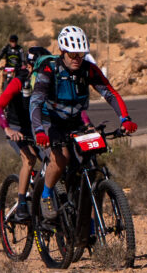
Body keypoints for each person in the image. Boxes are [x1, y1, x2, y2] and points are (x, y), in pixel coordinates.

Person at [27, 26, 135, 219]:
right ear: (63, 51)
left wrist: (125, 118)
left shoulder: (88, 70)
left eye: (81, 54)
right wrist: (39, 130)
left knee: (89, 159)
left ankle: (84, 214)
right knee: (61, 159)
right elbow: (35, 102)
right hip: (48, 121)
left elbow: (110, 94)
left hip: (75, 121)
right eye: (72, 54)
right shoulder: (50, 70)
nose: (77, 58)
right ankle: (46, 195)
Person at [0, 46, 50, 222]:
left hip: (36, 127)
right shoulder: (19, 81)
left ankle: (44, 195)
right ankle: (22, 203)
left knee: (52, 158)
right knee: (29, 159)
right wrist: (8, 129)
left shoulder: (49, 81)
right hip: (17, 127)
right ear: (30, 66)